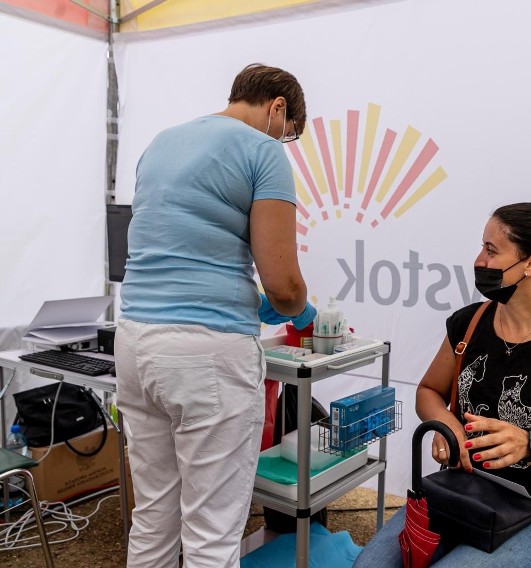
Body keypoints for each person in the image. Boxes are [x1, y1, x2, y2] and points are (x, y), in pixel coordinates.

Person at [114, 63, 317, 568]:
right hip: (206, 354)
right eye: (290, 135)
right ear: (277, 110)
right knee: (211, 532)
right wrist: (295, 303)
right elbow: (283, 284)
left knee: (154, 515)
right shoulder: (263, 151)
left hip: (136, 342)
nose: (284, 143)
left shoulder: (161, 142)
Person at [355, 202, 531, 568]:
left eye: (492, 251)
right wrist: (448, 426)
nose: (479, 260)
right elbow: (429, 391)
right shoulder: (469, 323)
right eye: (482, 247)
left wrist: (529, 445)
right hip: (462, 492)